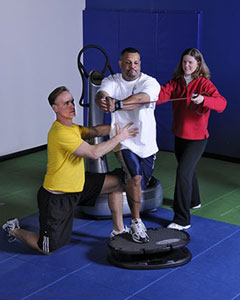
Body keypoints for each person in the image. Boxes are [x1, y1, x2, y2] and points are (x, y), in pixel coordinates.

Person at [2, 86, 139, 254]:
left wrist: (118, 126)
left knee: (116, 183)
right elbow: (93, 153)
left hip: (78, 185)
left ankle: (118, 230)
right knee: (46, 248)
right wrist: (120, 136)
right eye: (66, 103)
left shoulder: (73, 128)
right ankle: (13, 229)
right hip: (57, 198)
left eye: (72, 101)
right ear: (55, 108)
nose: (72, 106)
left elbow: (95, 131)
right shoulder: (60, 133)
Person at [157, 48, 227, 230]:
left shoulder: (204, 84)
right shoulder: (175, 83)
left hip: (197, 139)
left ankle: (182, 219)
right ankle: (194, 201)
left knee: (183, 172)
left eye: (191, 62)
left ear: (198, 65)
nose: (186, 65)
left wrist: (204, 99)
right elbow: (159, 96)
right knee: (188, 171)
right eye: (184, 62)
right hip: (179, 136)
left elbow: (221, 104)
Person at [95, 47, 160, 243]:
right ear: (120, 64)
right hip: (123, 140)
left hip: (147, 143)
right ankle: (136, 222)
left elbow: (142, 99)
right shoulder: (112, 80)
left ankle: (111, 186)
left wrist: (119, 104)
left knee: (135, 181)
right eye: (128, 62)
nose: (133, 66)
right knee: (136, 176)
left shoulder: (150, 82)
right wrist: (104, 101)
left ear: (140, 63)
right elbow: (102, 94)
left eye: (136, 62)